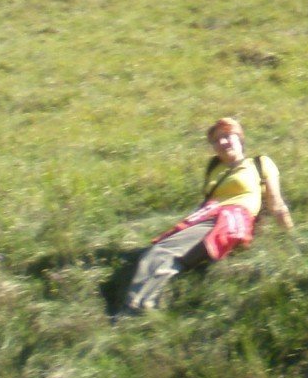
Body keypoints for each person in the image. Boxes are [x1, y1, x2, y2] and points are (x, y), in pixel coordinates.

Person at [119, 117, 292, 315]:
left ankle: (136, 310)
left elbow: (277, 204)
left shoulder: (260, 163)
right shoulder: (214, 167)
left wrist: (289, 239)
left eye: (228, 136)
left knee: (161, 252)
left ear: (240, 138)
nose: (223, 142)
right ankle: (142, 307)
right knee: (158, 253)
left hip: (230, 219)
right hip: (208, 216)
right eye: (217, 140)